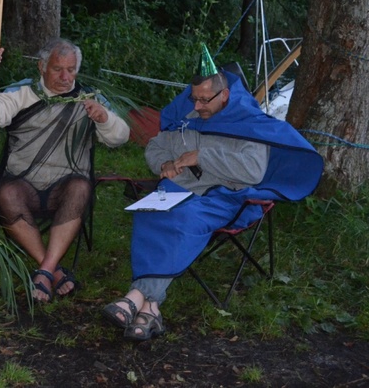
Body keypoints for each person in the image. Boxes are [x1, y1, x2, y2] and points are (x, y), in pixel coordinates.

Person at [102, 44, 323, 341]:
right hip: (178, 189)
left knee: (182, 219)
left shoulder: (249, 124)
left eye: (206, 100)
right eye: (195, 98)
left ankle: (135, 297)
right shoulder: (189, 115)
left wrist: (200, 156)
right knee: (148, 210)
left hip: (224, 197)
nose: (199, 106)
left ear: (225, 95)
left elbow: (252, 171)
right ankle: (150, 310)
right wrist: (163, 163)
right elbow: (156, 146)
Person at [0, 38, 130, 303]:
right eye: (58, 69)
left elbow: (121, 137)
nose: (65, 76)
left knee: (82, 187)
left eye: (71, 70)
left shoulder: (89, 98)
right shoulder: (23, 93)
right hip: (24, 185)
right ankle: (53, 269)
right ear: (41, 67)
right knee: (6, 192)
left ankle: (44, 271)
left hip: (66, 187)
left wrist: (103, 118)